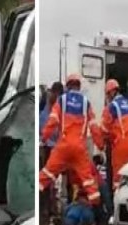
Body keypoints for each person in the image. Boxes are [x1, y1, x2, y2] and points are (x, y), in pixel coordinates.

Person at [39, 74, 103, 206]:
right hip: (80, 148)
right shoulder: (86, 103)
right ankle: (97, 213)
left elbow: (53, 121)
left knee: (46, 175)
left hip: (63, 146)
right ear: (79, 86)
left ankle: (36, 204)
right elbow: (94, 126)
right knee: (88, 182)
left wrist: (44, 138)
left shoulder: (61, 100)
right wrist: (100, 145)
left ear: (67, 86)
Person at [100, 78, 128, 184]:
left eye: (107, 94)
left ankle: (116, 199)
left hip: (120, 147)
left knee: (118, 180)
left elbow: (104, 130)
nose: (107, 97)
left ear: (112, 92)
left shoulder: (111, 107)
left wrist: (101, 144)